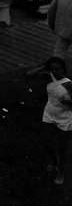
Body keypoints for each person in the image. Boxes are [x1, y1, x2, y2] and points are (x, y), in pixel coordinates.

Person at [42, 56, 72, 185]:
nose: (55, 71)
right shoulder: (49, 77)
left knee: (62, 147)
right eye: (52, 69)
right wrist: (44, 67)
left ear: (63, 69)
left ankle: (61, 172)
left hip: (64, 118)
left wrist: (69, 102)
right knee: (46, 141)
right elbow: (28, 74)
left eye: (58, 69)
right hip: (49, 114)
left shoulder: (69, 83)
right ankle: (54, 161)